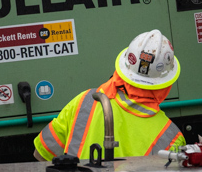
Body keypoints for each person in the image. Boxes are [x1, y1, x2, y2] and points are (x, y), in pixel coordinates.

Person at [34, 29, 185, 161]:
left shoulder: (84, 101)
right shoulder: (171, 136)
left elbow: (42, 153)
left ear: (123, 70)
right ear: (165, 84)